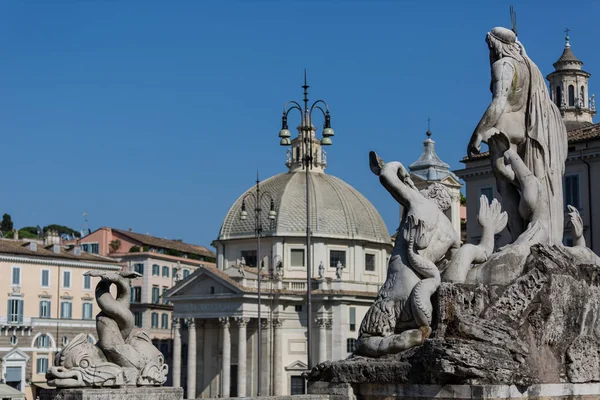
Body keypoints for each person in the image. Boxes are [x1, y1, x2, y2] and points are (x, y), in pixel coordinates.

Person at [467, 27, 567, 246]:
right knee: (515, 181)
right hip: (523, 130)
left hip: (502, 131)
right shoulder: (528, 66)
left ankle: (517, 237)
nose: (490, 50)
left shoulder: (502, 66)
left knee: (505, 185)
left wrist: (478, 133)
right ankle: (530, 204)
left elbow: (499, 102)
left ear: (496, 44)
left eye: (490, 45)